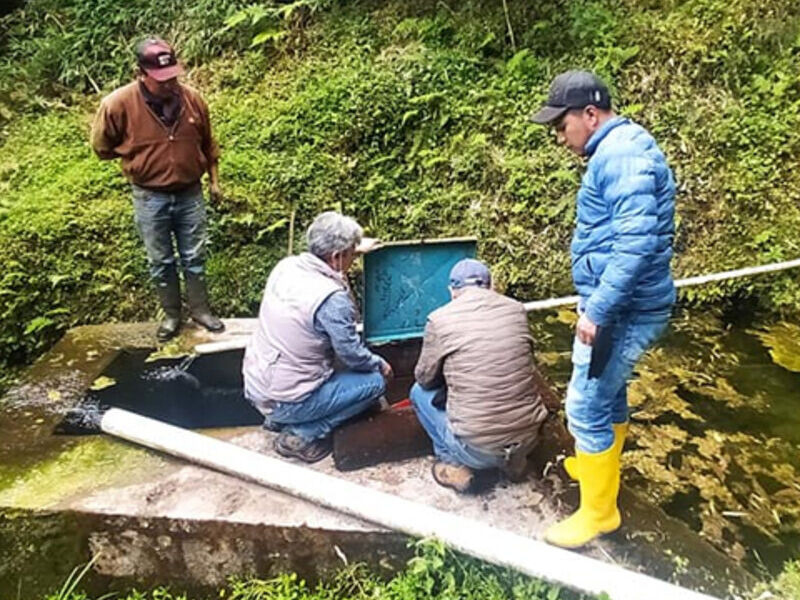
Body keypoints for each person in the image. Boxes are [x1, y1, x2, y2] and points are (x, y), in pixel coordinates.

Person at [531, 70, 675, 547]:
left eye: (561, 125)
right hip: (628, 305)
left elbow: (634, 244)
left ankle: (598, 515)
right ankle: (600, 470)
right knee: (608, 395)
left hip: (623, 310)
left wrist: (597, 310)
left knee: (585, 406)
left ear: (590, 115)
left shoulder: (620, 156)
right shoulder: (621, 148)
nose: (558, 136)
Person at [91, 37, 223, 342]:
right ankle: (172, 315)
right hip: (150, 196)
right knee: (160, 260)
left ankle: (201, 310)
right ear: (141, 73)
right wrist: (138, 157)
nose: (169, 84)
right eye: (161, 79)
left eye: (173, 76)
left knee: (195, 256)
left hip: (190, 192)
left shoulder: (193, 100)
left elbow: (209, 144)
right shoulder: (117, 105)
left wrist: (214, 182)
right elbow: (101, 147)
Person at [243, 211, 393, 463]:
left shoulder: (286, 266)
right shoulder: (331, 299)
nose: (353, 260)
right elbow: (352, 354)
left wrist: (353, 248)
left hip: (259, 387)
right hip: (288, 400)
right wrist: (380, 363)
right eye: (351, 254)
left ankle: (278, 420)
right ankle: (302, 434)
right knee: (376, 383)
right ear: (336, 257)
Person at [410, 258, 549, 493]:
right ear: (490, 286)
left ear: (452, 291)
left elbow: (425, 378)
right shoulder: (516, 309)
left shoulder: (439, 319)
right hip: (528, 440)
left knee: (417, 393)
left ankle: (453, 465)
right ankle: (515, 464)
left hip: (476, 450)